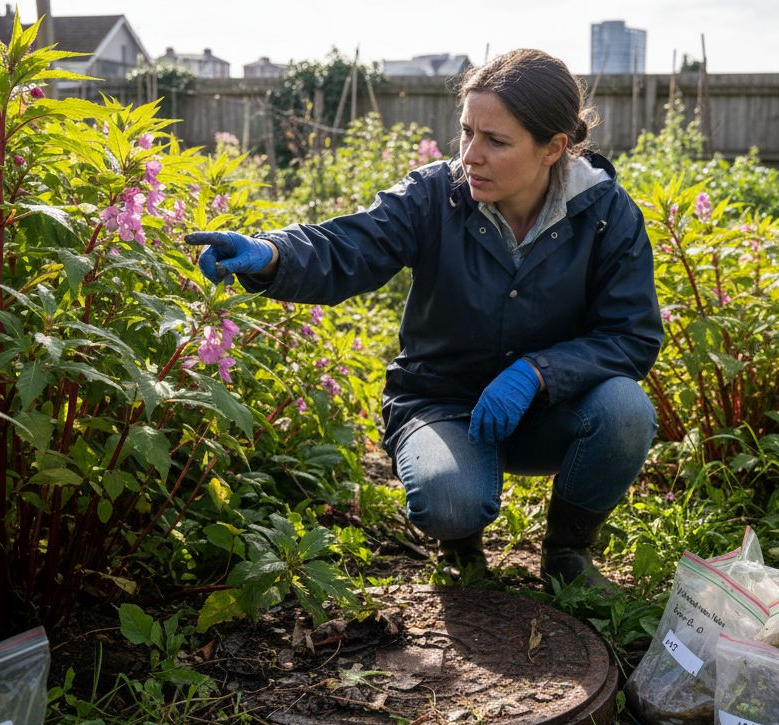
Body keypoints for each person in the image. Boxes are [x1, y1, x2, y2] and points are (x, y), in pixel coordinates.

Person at [186, 49, 661, 588]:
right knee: (449, 501)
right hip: (442, 402)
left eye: (496, 141)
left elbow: (631, 335)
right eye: (466, 132)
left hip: (548, 410)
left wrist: (537, 374)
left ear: (552, 148)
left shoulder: (605, 214)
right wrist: (274, 254)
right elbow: (351, 245)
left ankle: (568, 552)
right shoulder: (435, 196)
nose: (471, 156)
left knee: (625, 409)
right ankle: (460, 542)